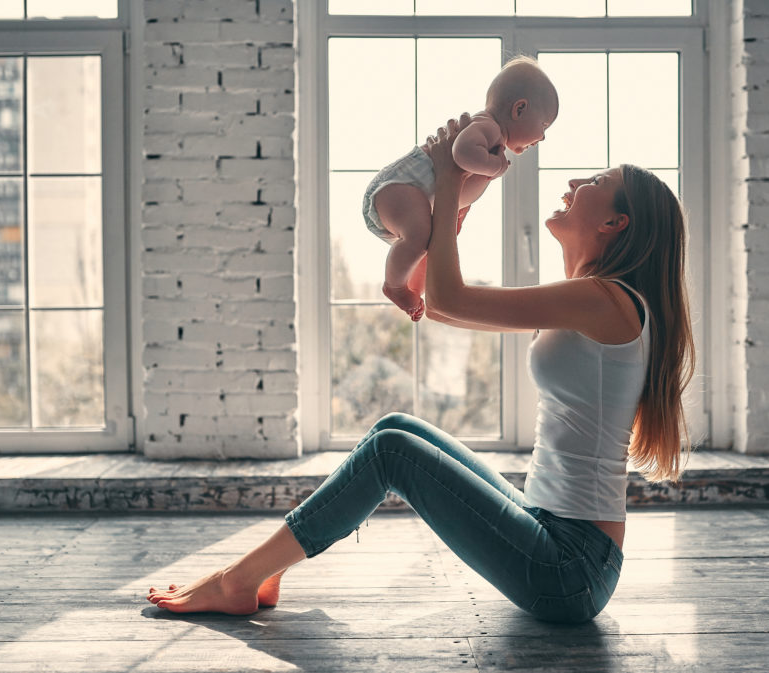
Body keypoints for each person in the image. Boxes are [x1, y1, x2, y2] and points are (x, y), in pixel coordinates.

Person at [147, 115, 694, 624]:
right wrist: (437, 219)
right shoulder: (596, 300)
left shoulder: (601, 299)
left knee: (392, 453)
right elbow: (443, 302)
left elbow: (451, 298)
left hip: (568, 568)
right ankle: (267, 570)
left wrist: (448, 174)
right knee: (395, 430)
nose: (575, 179)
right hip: (556, 537)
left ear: (614, 222)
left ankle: (236, 580)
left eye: (595, 179)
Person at [362, 56, 558, 321]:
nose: (543, 137)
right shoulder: (488, 127)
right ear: (519, 109)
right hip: (398, 187)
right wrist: (496, 166)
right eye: (544, 125)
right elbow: (462, 152)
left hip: (410, 196)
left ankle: (413, 290)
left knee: (429, 243)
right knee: (420, 236)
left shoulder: (493, 134)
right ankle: (394, 286)